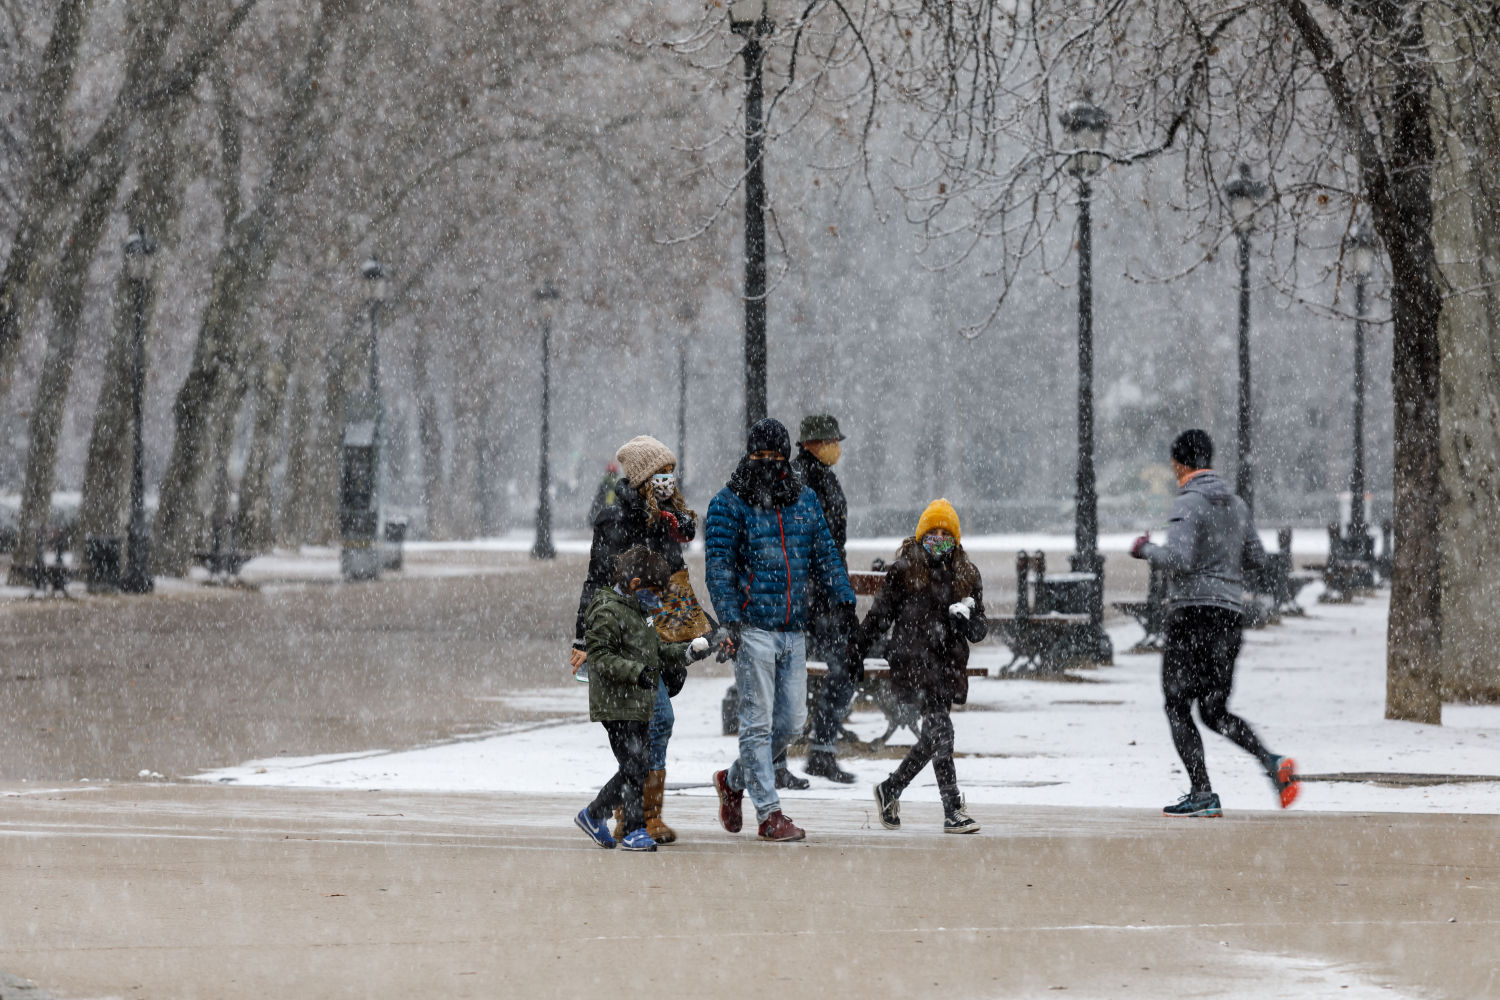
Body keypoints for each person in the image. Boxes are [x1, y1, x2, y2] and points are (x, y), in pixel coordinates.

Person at [1129, 428, 1300, 817]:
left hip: (1193, 615)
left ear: (1179, 464)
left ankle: (1202, 792)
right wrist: (1224, 564)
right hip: (1229, 617)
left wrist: (1146, 549)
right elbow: (1256, 556)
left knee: (1176, 704)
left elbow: (1180, 558)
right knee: (1214, 710)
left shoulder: (1188, 502)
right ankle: (1272, 764)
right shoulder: (1236, 504)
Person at [705, 417, 858, 842]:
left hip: (794, 627)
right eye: (761, 456)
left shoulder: (804, 500)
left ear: (788, 456)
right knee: (755, 724)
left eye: (776, 456)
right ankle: (769, 814)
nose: (769, 463)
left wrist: (845, 603)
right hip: (753, 628)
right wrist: (730, 618)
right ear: (749, 455)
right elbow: (718, 568)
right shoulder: (728, 503)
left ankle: (732, 781)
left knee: (791, 723)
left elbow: (827, 555)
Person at [571, 435, 704, 844]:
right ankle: (636, 817)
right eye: (660, 473)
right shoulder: (615, 520)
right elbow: (596, 578)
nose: (668, 480)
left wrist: (700, 627)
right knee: (655, 720)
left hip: (662, 629)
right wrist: (582, 639)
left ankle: (636, 815)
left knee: (651, 727)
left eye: (671, 472)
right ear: (643, 478)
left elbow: (676, 578)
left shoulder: (670, 519)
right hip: (629, 635)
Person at [574, 546, 712, 851]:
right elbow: (600, 659)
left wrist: (688, 652)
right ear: (635, 584)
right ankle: (634, 828)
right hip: (616, 706)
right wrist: (636, 672)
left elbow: (657, 653)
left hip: (639, 703)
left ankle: (594, 814)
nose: (658, 600)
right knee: (636, 766)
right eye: (654, 592)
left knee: (637, 766)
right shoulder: (606, 611)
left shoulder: (640, 611)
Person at [863, 499, 987, 834]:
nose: (937, 537)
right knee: (942, 731)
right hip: (913, 662)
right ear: (920, 534)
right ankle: (952, 810)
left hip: (947, 665)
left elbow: (980, 630)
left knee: (934, 734)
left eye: (945, 532)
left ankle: (891, 787)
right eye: (931, 531)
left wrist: (966, 619)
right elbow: (880, 615)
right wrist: (856, 648)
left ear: (955, 538)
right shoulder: (905, 569)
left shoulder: (966, 574)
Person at [793, 413, 858, 785]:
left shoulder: (823, 479)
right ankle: (800, 755)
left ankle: (822, 751)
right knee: (793, 674)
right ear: (812, 444)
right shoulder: (800, 482)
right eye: (831, 441)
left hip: (827, 596)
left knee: (845, 667)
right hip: (811, 599)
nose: (836, 448)